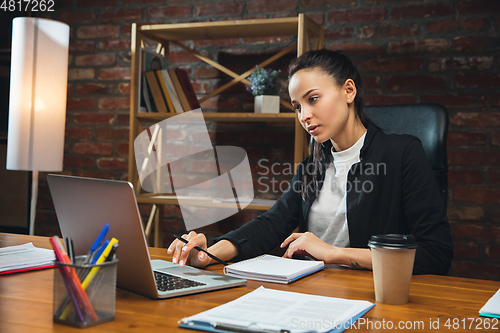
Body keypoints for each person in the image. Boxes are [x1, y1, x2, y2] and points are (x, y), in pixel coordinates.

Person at [167, 49, 454, 275]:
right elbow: (272, 224)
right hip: (312, 293)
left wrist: (335, 253)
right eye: (297, 106)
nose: (304, 115)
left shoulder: (401, 153)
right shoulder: (312, 166)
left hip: (373, 298)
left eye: (313, 99)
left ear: (349, 91)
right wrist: (209, 253)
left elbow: (435, 253)